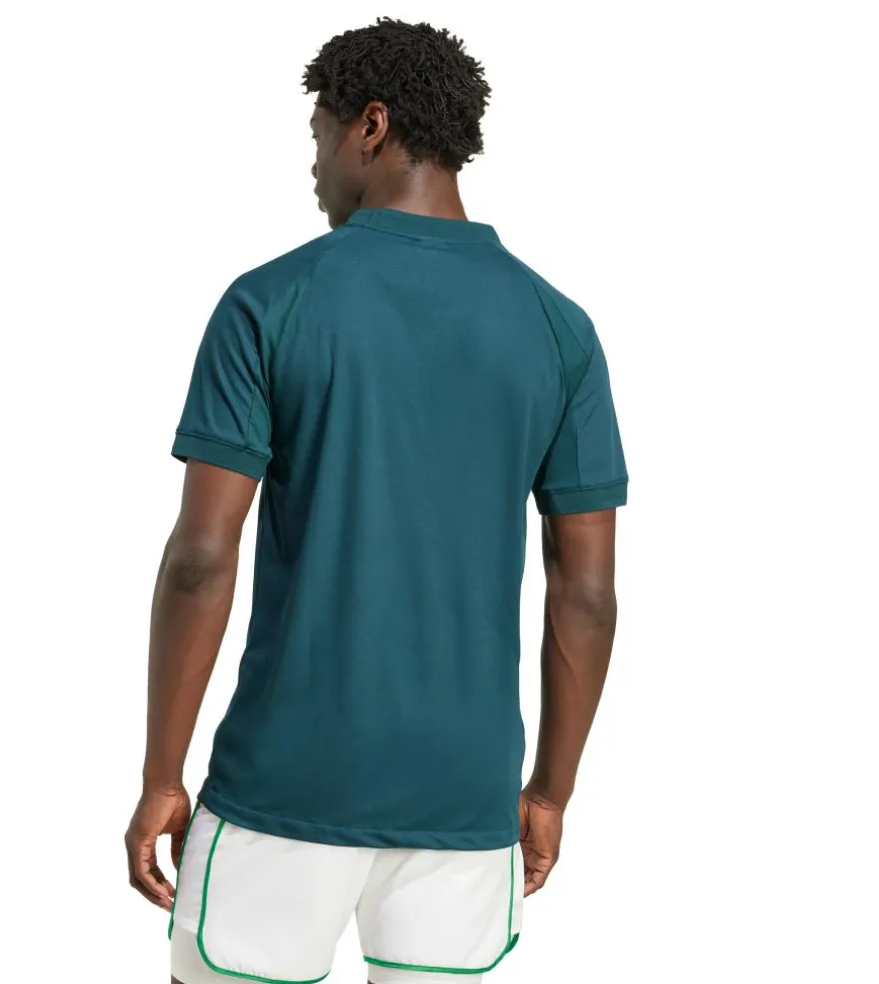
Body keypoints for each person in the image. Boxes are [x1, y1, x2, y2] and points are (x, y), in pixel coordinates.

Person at [126, 16, 627, 984]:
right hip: (465, 798)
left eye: (318, 134)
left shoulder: (270, 302)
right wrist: (548, 792)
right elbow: (588, 593)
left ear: (371, 125)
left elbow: (201, 558)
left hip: (283, 786)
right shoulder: (558, 328)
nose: (313, 165)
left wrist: (160, 775)